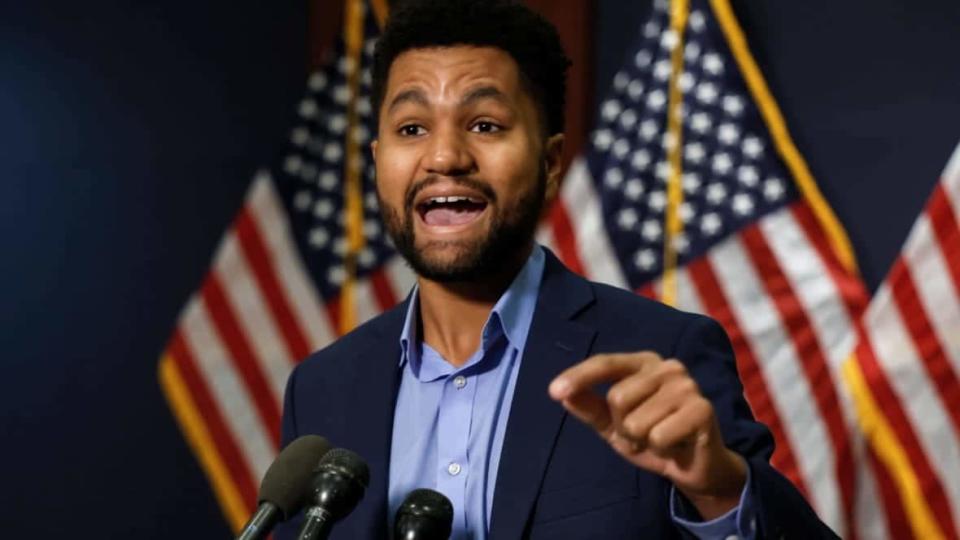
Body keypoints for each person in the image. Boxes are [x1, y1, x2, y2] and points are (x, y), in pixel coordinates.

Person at [277, 0, 837, 538]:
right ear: (378, 163)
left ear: (549, 164)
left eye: (486, 125)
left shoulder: (663, 355)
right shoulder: (322, 390)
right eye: (412, 129)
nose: (444, 157)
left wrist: (718, 491)